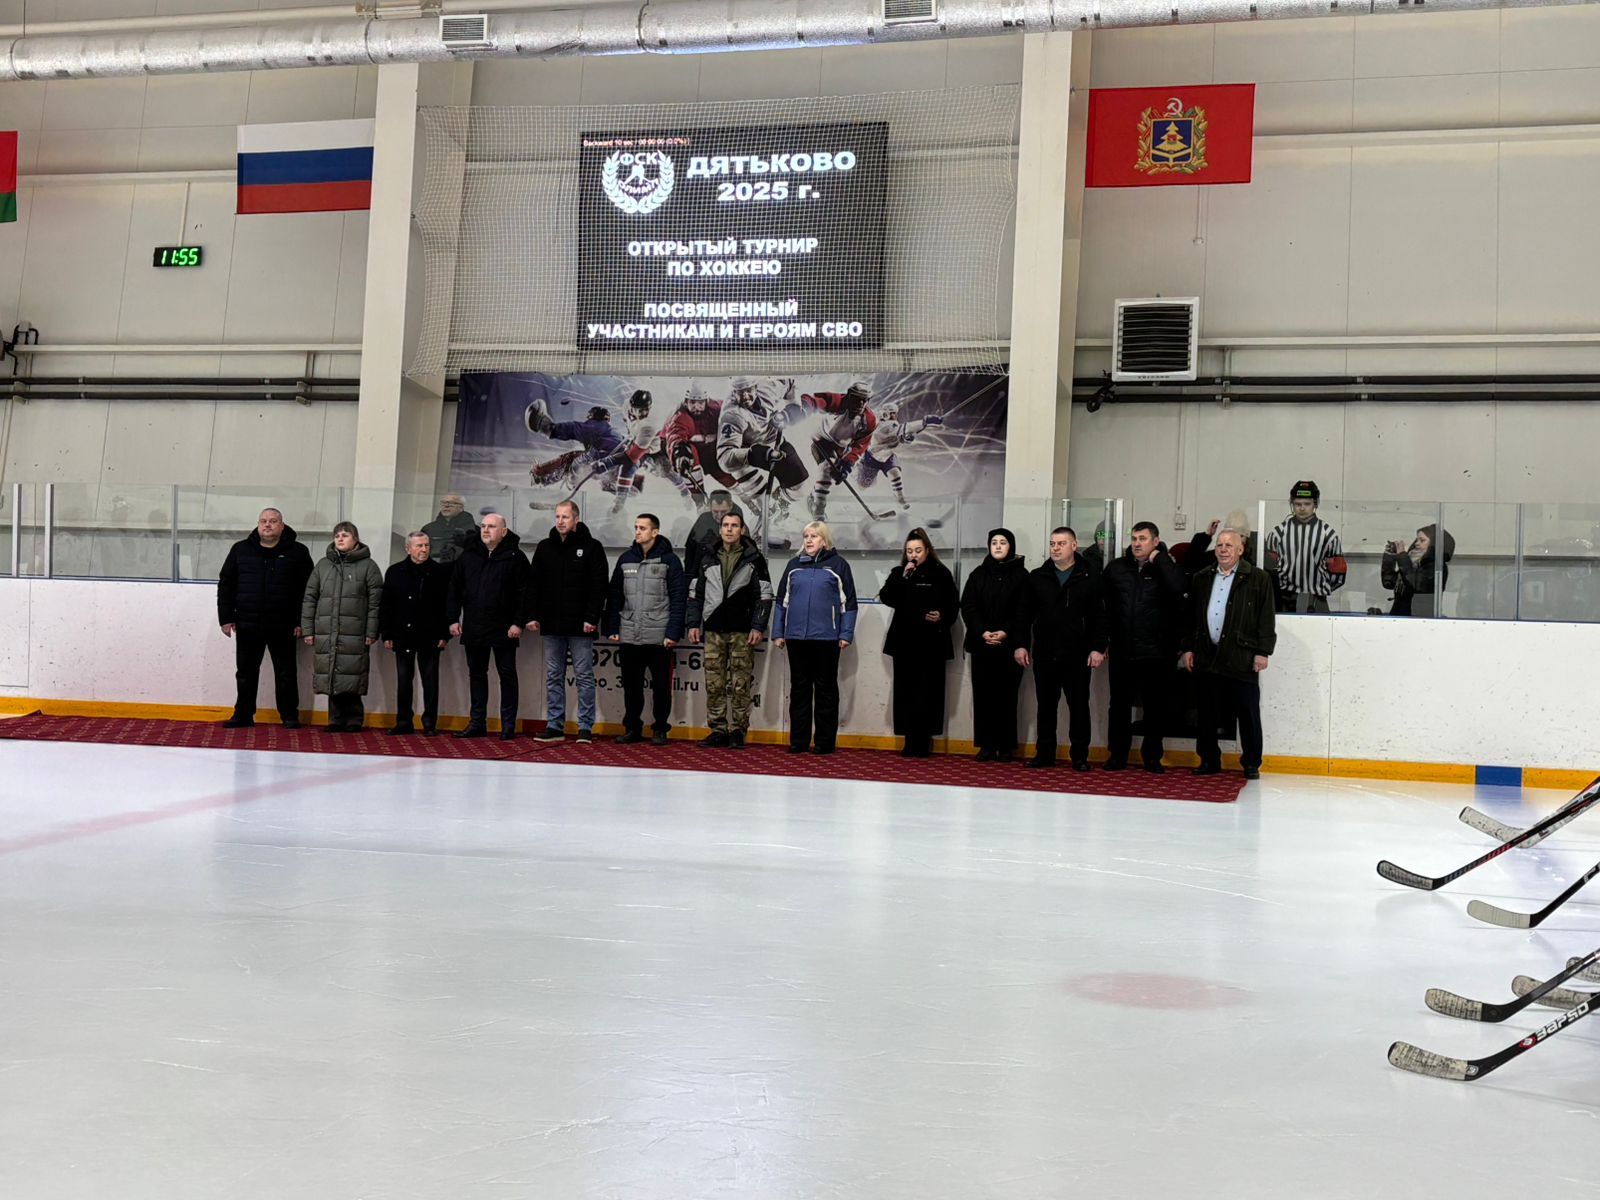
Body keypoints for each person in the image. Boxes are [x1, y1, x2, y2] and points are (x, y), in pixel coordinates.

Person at [1182, 528, 1276, 780]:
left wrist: (1262, 651)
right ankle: (1209, 760)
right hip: (1207, 654)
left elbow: (1265, 618)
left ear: (1240, 549)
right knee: (1207, 713)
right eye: (1219, 545)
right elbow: (1191, 618)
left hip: (1241, 656)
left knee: (1247, 713)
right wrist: (1188, 647)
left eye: (1229, 545)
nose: (1223, 549)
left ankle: (1251, 762)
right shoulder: (1202, 577)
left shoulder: (1257, 578)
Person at [1015, 527, 1107, 771]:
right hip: (1045, 653)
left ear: (1074, 546)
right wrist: (1021, 644)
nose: (1055, 548)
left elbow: (1100, 616)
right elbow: (1024, 615)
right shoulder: (1037, 577)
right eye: (1052, 543)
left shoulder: (1090, 576)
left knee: (1078, 706)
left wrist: (1098, 648)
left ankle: (1080, 756)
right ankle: (1044, 754)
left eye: (1061, 543)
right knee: (1045, 707)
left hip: (1078, 654)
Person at [1101, 520, 1187, 772]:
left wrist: (1161, 561)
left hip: (1157, 652)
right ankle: (1117, 755)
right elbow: (1103, 608)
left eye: (1143, 539)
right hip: (1122, 650)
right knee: (1118, 706)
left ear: (1155, 542)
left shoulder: (1166, 568)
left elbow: (1180, 588)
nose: (1137, 544)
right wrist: (1102, 640)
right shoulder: (1116, 568)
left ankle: (1152, 756)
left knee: (1155, 707)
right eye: (1134, 538)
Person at [217, 507, 314, 728]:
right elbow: (226, 584)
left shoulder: (298, 552)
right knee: (245, 672)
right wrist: (225, 617)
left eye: (273, 521)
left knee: (286, 673)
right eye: (263, 521)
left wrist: (302, 621)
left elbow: (308, 590)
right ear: (258, 524)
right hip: (248, 623)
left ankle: (289, 715)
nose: (267, 525)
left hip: (284, 624)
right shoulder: (240, 550)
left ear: (282, 525)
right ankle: (242, 714)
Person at [686, 509, 772, 750]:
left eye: (735, 525)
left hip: (742, 630)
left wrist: (758, 626)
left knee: (740, 684)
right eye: (726, 525)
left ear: (742, 529)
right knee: (714, 682)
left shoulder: (754, 558)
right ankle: (718, 729)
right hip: (713, 629)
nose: (730, 529)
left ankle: (737, 730)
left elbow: (764, 595)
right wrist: (693, 623)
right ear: (720, 529)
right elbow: (695, 594)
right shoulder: (707, 556)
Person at [771, 521, 858, 755]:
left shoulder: (838, 565)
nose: (809, 540)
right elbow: (781, 602)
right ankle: (798, 741)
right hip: (797, 638)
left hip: (827, 639)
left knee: (825, 690)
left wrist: (846, 633)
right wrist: (778, 632)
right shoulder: (793, 566)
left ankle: (824, 742)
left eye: (814, 536)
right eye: (806, 536)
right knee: (799, 689)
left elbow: (848, 603)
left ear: (825, 540)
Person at [527, 500, 608, 743]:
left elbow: (599, 586)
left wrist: (591, 617)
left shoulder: (592, 547)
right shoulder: (544, 548)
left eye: (565, 517)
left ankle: (585, 726)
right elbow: (534, 585)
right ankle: (554, 724)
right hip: (552, 623)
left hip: (581, 625)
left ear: (576, 520)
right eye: (558, 517)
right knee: (553, 675)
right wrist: (531, 615)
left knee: (583, 675)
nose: (561, 521)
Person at [605, 513, 689, 745]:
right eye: (636, 527)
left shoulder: (670, 561)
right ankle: (633, 728)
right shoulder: (625, 559)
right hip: (630, 634)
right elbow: (614, 596)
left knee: (661, 687)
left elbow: (679, 598)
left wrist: (673, 632)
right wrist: (612, 626)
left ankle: (660, 728)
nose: (638, 532)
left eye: (643, 528)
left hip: (659, 636)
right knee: (631, 687)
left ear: (655, 532)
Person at [448, 512, 531, 741]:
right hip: (474, 626)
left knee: (507, 675)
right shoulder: (468, 556)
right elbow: (454, 589)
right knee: (476, 675)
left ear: (503, 532)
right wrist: (453, 618)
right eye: (483, 526)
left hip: (505, 628)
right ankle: (477, 723)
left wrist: (518, 622)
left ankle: (508, 726)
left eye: (492, 526)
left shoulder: (516, 557)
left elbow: (525, 594)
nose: (485, 530)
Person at [879, 528, 959, 757]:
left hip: (931, 643)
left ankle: (924, 740)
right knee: (905, 692)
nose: (914, 555)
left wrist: (941, 615)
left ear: (927, 551)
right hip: (905, 642)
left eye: (918, 550)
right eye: (909, 551)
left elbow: (953, 604)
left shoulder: (940, 573)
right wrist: (904, 576)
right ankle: (909, 740)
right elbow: (887, 597)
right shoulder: (900, 573)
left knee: (928, 692)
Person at [301, 521, 384, 733]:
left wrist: (371, 632)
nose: (339, 538)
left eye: (345, 535)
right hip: (327, 631)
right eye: (337, 535)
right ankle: (335, 719)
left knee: (352, 673)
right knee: (331, 673)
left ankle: (354, 719)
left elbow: (376, 603)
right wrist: (308, 630)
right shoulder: (323, 565)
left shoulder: (369, 566)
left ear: (355, 539)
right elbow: (310, 598)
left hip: (355, 632)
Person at [959, 528, 1028, 762]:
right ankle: (986, 745)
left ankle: (1006, 746)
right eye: (994, 542)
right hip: (982, 645)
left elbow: (1023, 610)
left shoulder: (1021, 576)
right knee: (984, 695)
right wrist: (983, 632)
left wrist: (1005, 631)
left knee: (1007, 697)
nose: (998, 546)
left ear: (1012, 546)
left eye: (1003, 542)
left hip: (1010, 647)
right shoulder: (978, 574)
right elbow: (968, 606)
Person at [379, 531, 451, 736]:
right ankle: (403, 721)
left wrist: (444, 635)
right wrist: (387, 634)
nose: (424, 550)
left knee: (430, 682)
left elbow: (447, 606)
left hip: (430, 635)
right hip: (402, 634)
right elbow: (386, 606)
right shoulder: (395, 572)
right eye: (419, 546)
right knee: (403, 681)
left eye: (427, 545)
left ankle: (429, 723)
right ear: (408, 548)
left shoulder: (440, 572)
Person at [1265, 480, 1345, 613]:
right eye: (1297, 504)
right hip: (1284, 598)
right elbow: (1269, 569)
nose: (1302, 508)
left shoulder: (1328, 534)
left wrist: (1320, 588)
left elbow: (1339, 570)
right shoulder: (1277, 533)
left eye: (1307, 504)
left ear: (1316, 504)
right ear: (1291, 503)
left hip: (1317, 599)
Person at [1383, 524, 1456, 617]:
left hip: (1420, 619)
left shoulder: (1436, 566)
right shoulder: (1413, 564)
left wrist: (1402, 556)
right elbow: (1389, 583)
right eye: (1416, 540)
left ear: (1434, 544)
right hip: (1401, 617)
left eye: (1422, 540)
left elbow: (1415, 584)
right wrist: (1390, 557)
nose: (1417, 543)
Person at [682, 489, 743, 581]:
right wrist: (689, 575)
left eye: (723, 512)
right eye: (715, 511)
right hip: (700, 575)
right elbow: (691, 548)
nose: (719, 516)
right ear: (710, 507)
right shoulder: (703, 520)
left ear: (730, 507)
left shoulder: (738, 523)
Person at [421, 494, 478, 565]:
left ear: (461, 507)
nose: (446, 506)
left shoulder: (474, 531)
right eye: (443, 503)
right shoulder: (428, 529)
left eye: (451, 503)